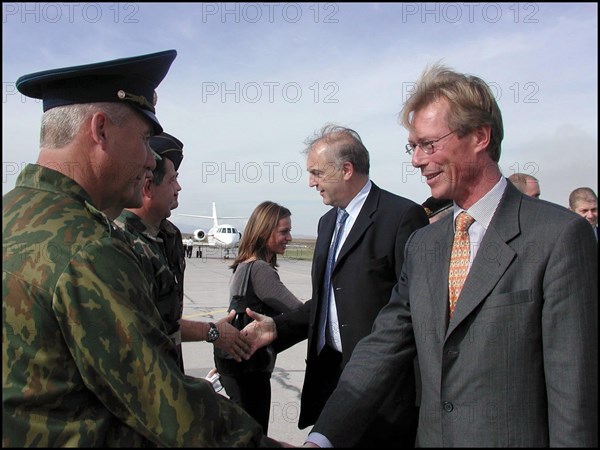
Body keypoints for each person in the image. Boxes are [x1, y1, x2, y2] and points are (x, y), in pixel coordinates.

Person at [250, 65, 598, 447]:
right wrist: (321, 441)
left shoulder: (559, 237)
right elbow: (383, 346)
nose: (415, 160)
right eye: (412, 146)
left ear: (480, 136)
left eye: (428, 145)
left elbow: (574, 395)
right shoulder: (425, 244)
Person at [2, 50, 282, 447]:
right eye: (145, 139)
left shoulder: (13, 215)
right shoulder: (88, 249)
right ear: (100, 131)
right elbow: (166, 406)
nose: (150, 159)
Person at [244, 124, 429, 447]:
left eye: (316, 172)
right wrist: (278, 327)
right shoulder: (328, 222)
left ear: (346, 170)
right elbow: (327, 300)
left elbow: (412, 311)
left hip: (381, 391)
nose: (310, 182)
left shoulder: (401, 216)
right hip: (330, 381)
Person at [115, 132, 250, 373]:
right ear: (147, 187)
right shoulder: (118, 241)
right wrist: (210, 331)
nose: (179, 187)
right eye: (172, 180)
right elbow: (141, 331)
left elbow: (168, 321)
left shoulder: (170, 236)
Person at [214, 201, 303, 434]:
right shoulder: (260, 270)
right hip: (250, 373)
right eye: (284, 231)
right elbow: (299, 313)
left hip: (234, 369)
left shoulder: (243, 266)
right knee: (254, 435)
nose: (289, 238)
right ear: (264, 233)